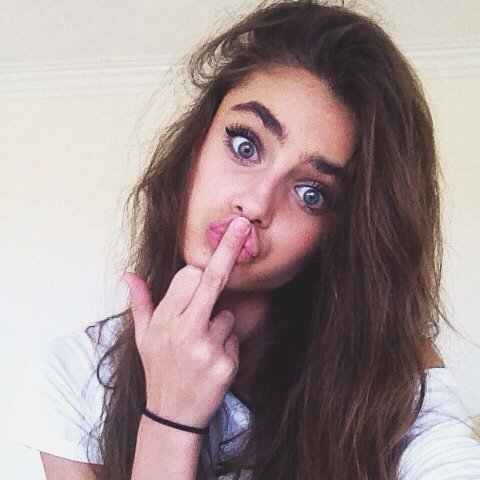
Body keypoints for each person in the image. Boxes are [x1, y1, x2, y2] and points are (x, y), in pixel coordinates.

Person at [4, 0, 480, 479]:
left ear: (338, 234)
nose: (255, 203)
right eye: (245, 145)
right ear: (195, 144)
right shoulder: (74, 375)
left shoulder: (386, 373)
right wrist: (170, 416)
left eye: (311, 193)